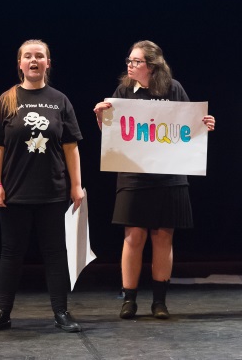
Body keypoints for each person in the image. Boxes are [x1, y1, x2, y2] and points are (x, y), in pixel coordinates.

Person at [93, 40, 216, 320]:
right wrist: (102, 118)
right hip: (134, 174)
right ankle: (129, 300)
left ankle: (159, 302)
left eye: (136, 61)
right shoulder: (124, 91)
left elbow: (189, 128)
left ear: (152, 65)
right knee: (134, 236)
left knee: (163, 236)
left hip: (169, 175)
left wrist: (204, 124)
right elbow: (112, 133)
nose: (130, 65)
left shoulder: (173, 89)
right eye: (129, 60)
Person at [0, 39, 84, 333]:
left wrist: (76, 186)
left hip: (52, 191)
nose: (34, 60)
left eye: (40, 56)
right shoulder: (7, 99)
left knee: (54, 253)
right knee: (11, 253)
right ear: (20, 64)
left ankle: (61, 312)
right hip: (14, 193)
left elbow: (71, 147)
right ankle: (3, 313)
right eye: (28, 56)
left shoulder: (60, 100)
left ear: (48, 63)